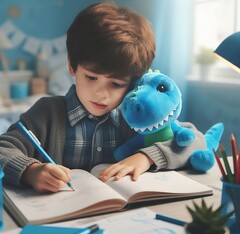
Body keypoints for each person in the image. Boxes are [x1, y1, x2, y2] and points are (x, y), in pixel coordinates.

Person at [0, 2, 205, 193]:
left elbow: (195, 141)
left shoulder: (137, 116)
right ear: (72, 66)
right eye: (91, 77)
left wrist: (146, 157)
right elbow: (3, 149)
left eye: (116, 84)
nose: (101, 93)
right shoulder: (47, 113)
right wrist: (30, 171)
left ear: (135, 81)